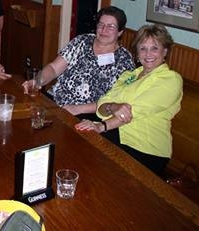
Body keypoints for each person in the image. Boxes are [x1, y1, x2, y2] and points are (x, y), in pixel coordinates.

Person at [75, 24, 183, 176]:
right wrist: (113, 107)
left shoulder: (171, 79)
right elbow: (102, 106)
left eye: (154, 48)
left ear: (165, 51)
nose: (148, 54)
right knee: (78, 139)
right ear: (137, 52)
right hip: (116, 133)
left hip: (145, 149)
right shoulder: (129, 75)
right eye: (143, 48)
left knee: (87, 158)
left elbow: (132, 112)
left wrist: (101, 126)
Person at [22, 6, 134, 119]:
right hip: (55, 100)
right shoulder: (82, 41)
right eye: (101, 25)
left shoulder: (124, 60)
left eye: (110, 27)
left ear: (120, 32)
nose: (104, 30)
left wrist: (77, 108)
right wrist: (37, 81)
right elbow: (54, 68)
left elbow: (117, 99)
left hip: (86, 114)